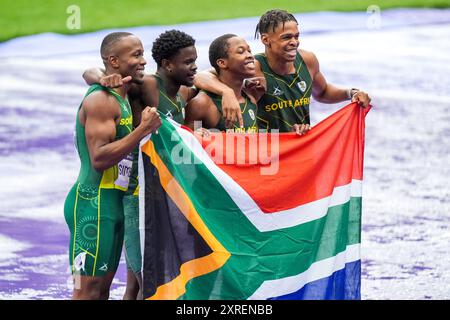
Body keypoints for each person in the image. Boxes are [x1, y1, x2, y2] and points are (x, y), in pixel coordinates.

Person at [82, 29, 198, 300]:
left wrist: (224, 91)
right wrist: (100, 76)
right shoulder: (145, 86)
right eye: (188, 61)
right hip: (135, 193)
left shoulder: (183, 93)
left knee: (139, 283)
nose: (194, 66)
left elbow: (206, 78)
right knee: (142, 278)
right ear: (168, 64)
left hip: (162, 192)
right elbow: (90, 73)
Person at [64, 32, 161, 300]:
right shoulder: (101, 100)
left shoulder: (123, 95)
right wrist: (142, 130)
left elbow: (91, 71)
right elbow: (99, 159)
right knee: (87, 291)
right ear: (114, 61)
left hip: (113, 205)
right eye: (137, 55)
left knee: (102, 291)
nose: (143, 61)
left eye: (143, 53)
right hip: (92, 206)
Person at [194, 9, 371, 134]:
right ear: (266, 40)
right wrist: (226, 92)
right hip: (267, 153)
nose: (294, 42)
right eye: (286, 37)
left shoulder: (307, 61)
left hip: (298, 145)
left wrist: (351, 93)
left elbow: (323, 92)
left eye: (296, 36)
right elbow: (201, 76)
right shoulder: (253, 67)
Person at [185, 34, 264, 132]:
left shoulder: (251, 99)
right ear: (222, 63)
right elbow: (189, 141)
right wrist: (198, 134)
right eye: (241, 52)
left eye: (249, 51)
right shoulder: (202, 104)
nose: (250, 55)